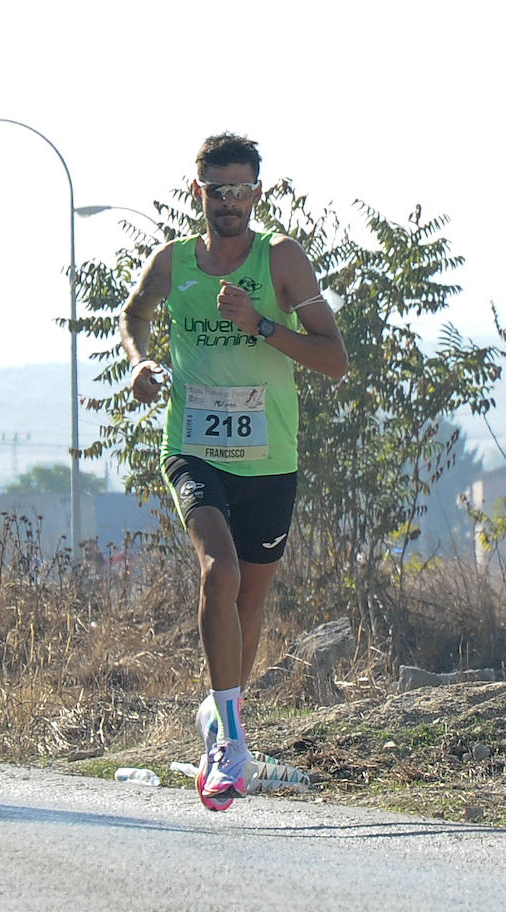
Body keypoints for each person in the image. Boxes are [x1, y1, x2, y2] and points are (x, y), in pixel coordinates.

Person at [118, 133, 348, 811]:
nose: (229, 202)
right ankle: (231, 747)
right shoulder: (174, 262)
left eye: (241, 190)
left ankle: (220, 718)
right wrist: (139, 361)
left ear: (257, 193)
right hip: (193, 449)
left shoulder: (282, 260)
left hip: (270, 459)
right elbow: (134, 312)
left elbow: (334, 360)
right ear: (200, 193)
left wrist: (262, 326)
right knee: (219, 573)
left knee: (249, 600)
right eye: (218, 190)